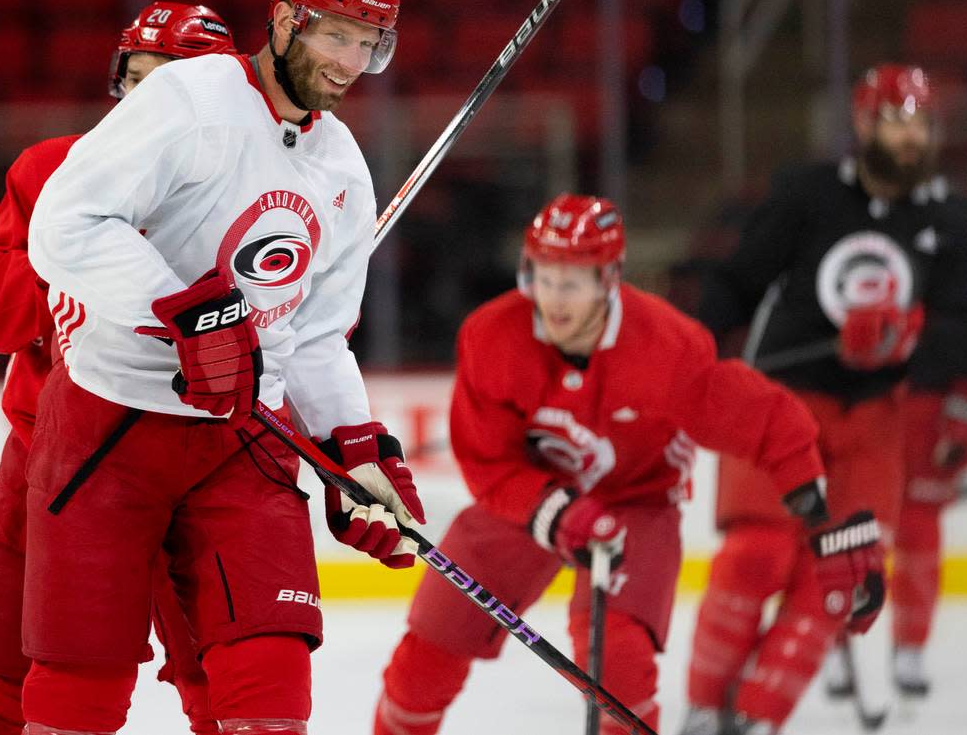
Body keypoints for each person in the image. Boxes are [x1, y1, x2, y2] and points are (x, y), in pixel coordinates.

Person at [22, 0, 422, 735]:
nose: (350, 60)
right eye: (335, 34)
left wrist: (359, 446)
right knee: (78, 696)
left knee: (271, 686)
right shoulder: (192, 99)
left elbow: (313, 339)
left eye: (367, 42)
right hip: (111, 428)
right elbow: (62, 226)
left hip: (245, 439)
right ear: (284, 19)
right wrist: (193, 312)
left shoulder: (342, 165)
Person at [371, 194, 884, 735]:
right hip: (526, 500)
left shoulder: (668, 348)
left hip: (637, 502)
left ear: (609, 278)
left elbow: (770, 423)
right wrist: (554, 511)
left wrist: (821, 521)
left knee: (616, 664)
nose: (554, 299)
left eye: (571, 282)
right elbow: (489, 464)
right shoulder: (491, 337)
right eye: (543, 278)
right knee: (431, 646)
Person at [679, 64, 967, 735]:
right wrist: (688, 356)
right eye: (895, 120)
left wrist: (946, 378)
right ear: (863, 123)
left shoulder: (950, 221)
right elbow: (736, 282)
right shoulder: (808, 194)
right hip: (780, 406)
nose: (909, 137)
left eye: (919, 123)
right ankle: (705, 709)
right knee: (756, 555)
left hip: (874, 421)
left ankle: (760, 717)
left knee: (843, 572)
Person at [0, 1, 239, 735]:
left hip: (192, 459)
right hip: (46, 463)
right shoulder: (51, 172)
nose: (146, 103)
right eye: (136, 80)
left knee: (222, 686)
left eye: (170, 86)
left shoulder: (247, 196)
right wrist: (76, 251)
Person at [825, 193, 967, 699]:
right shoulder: (847, 222)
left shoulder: (955, 230)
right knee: (848, 532)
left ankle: (910, 648)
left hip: (925, 401)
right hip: (864, 399)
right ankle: (832, 644)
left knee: (917, 533)